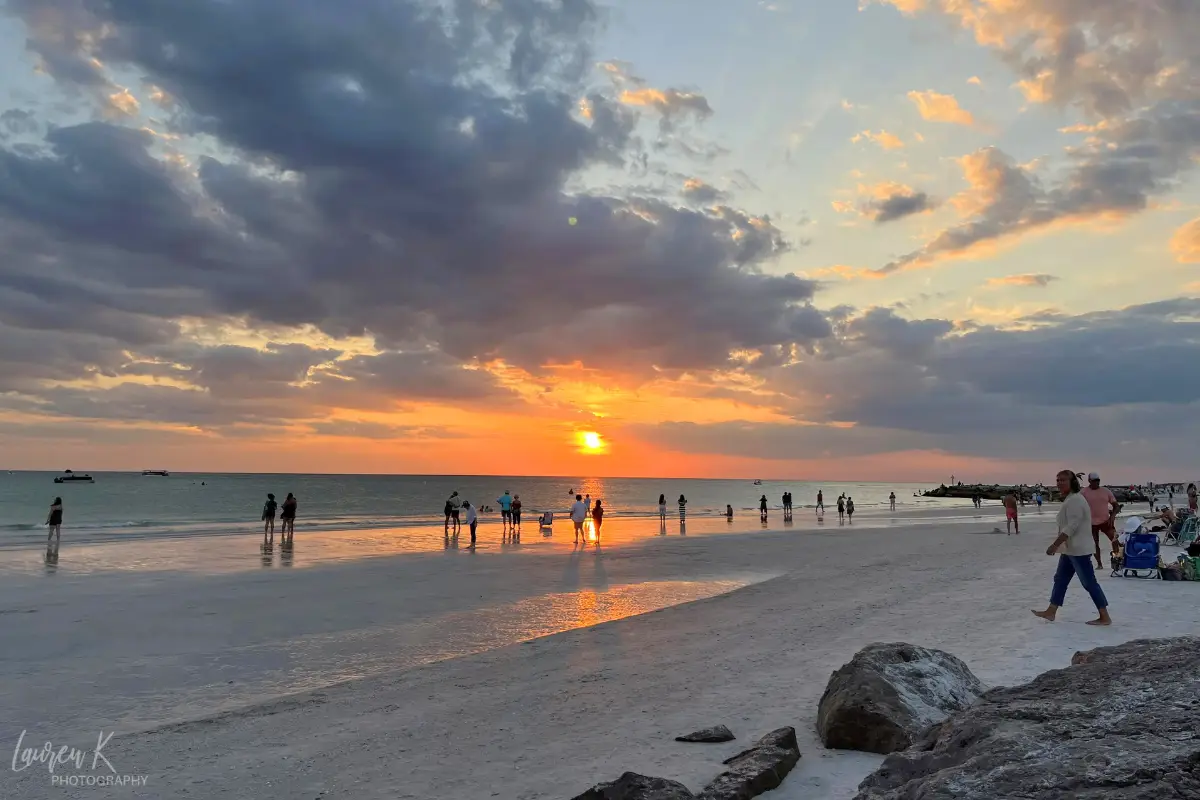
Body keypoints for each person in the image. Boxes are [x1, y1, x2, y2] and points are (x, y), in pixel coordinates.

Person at [1032, 470, 1112, 626]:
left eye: (1063, 480)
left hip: (1079, 550)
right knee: (1060, 579)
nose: (1059, 483)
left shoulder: (1075, 499)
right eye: (1057, 480)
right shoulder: (1070, 499)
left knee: (1089, 583)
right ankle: (1051, 611)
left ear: (1072, 482)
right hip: (1070, 549)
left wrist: (1055, 545)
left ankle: (1104, 616)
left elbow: (1072, 526)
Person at [1081, 472, 1121, 570]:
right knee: (1094, 544)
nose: (1096, 482)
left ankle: (1117, 559)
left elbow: (1116, 506)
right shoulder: (1083, 492)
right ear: (1089, 481)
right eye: (1094, 481)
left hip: (1106, 521)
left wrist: (1112, 517)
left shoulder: (1105, 491)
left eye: (1098, 480)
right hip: (1090, 523)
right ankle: (1099, 564)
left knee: (1115, 540)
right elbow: (1078, 507)